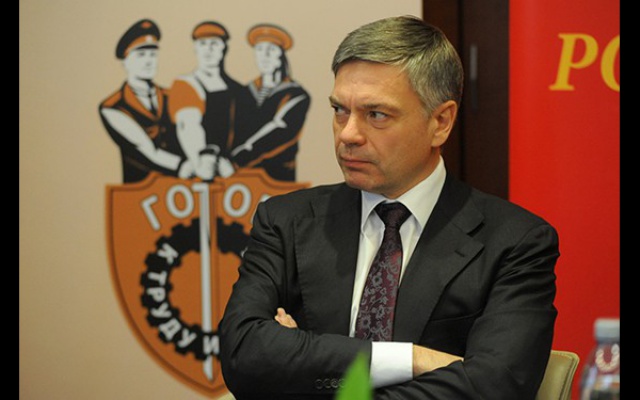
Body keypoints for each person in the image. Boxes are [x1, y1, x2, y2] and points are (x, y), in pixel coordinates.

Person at [219, 15, 559, 400]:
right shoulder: (286, 221)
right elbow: (244, 355)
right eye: (339, 110)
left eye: (376, 114)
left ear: (441, 122)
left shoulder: (514, 242)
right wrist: (410, 359)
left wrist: (303, 362)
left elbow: (494, 387)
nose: (348, 134)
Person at [99, 19, 192, 183]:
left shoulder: (171, 96)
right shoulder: (112, 107)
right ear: (124, 61)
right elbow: (147, 149)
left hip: (182, 191)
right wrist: (185, 166)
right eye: (141, 55)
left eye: (153, 54)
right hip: (140, 192)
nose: (149, 61)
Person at [228, 23, 311, 182]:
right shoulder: (242, 92)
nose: (264, 55)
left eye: (271, 49)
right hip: (239, 179)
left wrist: (238, 160)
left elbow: (281, 130)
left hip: (277, 177)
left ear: (281, 55)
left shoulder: (296, 94)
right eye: (259, 49)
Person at [168, 20, 243, 181]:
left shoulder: (237, 89)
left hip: (230, 173)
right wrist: (200, 161)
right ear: (195, 48)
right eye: (203, 43)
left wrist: (234, 165)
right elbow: (188, 125)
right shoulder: (185, 85)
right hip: (199, 173)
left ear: (224, 47)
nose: (208, 49)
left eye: (214, 43)